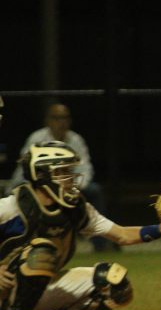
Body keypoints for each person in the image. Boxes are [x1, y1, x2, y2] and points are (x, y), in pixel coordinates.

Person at [0, 141, 161, 310]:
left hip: (34, 293)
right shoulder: (10, 208)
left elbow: (121, 234)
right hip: (3, 290)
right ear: (41, 175)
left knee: (113, 282)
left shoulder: (76, 209)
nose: (70, 178)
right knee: (42, 252)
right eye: (62, 171)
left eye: (69, 170)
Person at [7, 102, 115, 252]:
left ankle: (100, 246)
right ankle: (20, 246)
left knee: (95, 190)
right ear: (48, 121)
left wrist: (71, 189)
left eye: (65, 118)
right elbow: (26, 169)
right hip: (35, 186)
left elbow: (85, 168)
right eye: (56, 118)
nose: (61, 122)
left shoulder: (75, 139)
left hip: (69, 186)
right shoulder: (37, 138)